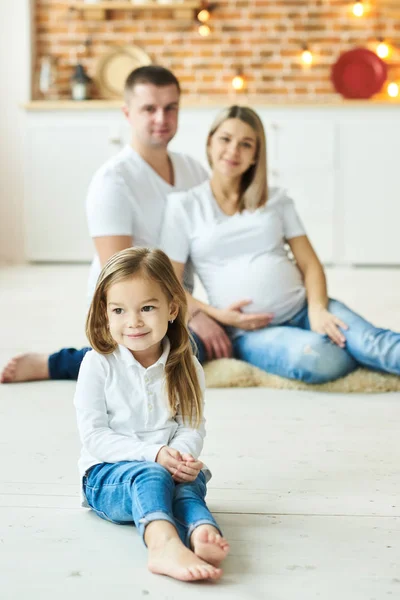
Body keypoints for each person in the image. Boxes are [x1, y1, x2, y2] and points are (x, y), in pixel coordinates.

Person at [0, 66, 232, 385]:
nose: (161, 119)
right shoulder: (113, 181)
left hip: (173, 304)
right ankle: (56, 364)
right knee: (173, 354)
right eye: (149, 109)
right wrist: (196, 315)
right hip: (128, 308)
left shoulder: (192, 170)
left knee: (222, 337)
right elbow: (119, 276)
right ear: (127, 113)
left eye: (170, 108)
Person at [160, 105, 400, 384]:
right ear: (210, 143)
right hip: (249, 331)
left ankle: (359, 348)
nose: (233, 150)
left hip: (303, 308)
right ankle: (348, 349)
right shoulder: (184, 206)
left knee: (372, 342)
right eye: (225, 139)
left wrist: (318, 309)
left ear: (255, 156)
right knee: (316, 357)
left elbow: (309, 264)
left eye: (246, 144)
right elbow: (169, 283)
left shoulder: (276, 200)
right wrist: (219, 315)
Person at [75, 247, 229, 581]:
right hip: (106, 477)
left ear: (172, 308)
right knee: (152, 476)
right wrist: (154, 455)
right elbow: (95, 437)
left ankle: (201, 531)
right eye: (119, 310)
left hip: (166, 466)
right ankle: (162, 543)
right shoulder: (97, 365)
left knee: (191, 482)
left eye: (147, 307)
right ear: (105, 313)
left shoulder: (186, 365)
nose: (133, 322)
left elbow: (191, 427)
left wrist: (182, 457)